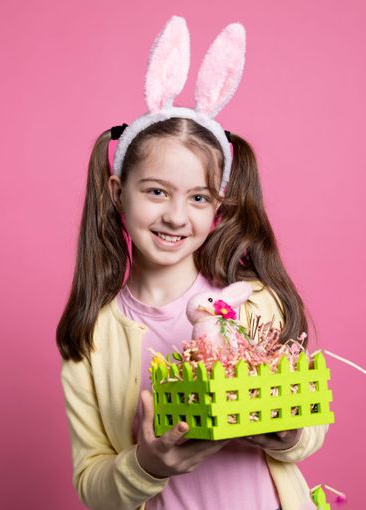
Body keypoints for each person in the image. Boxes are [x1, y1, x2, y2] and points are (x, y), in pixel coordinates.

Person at [57, 16, 327, 510]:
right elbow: (92, 483)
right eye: (157, 191)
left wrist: (288, 434)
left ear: (218, 207)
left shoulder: (252, 305)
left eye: (199, 198)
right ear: (119, 194)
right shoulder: (90, 337)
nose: (176, 216)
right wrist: (148, 464)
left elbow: (311, 427)